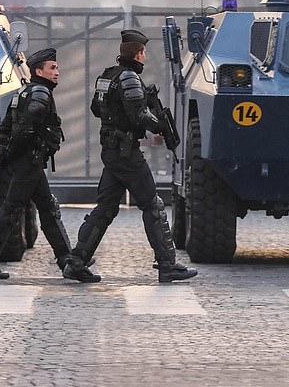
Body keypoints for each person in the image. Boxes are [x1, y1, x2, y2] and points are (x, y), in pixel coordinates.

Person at [69, 29, 198, 282]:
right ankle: (167, 264)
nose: (145, 57)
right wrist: (158, 126)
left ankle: (77, 261)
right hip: (126, 154)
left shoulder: (108, 76)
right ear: (138, 53)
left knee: (105, 209)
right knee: (152, 205)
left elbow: (97, 108)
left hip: (113, 152)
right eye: (144, 52)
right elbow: (138, 115)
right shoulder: (129, 78)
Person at [0, 47, 99, 283]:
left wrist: (7, 153)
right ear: (38, 70)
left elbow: (6, 128)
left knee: (47, 209)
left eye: (57, 67)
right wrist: (14, 154)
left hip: (30, 162)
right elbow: (24, 130)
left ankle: (67, 260)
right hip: (29, 162)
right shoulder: (40, 94)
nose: (57, 72)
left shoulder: (24, 93)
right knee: (12, 209)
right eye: (52, 68)